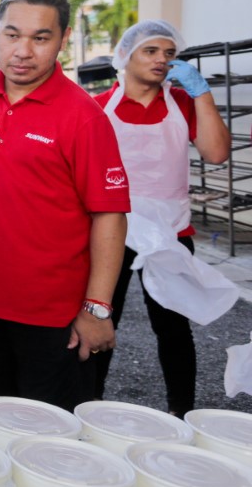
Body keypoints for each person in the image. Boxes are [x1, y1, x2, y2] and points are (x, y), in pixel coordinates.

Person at [0, 0, 131, 411]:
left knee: (52, 438)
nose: (23, 51)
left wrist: (97, 308)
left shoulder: (84, 117)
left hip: (55, 320)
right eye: (12, 35)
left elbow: (110, 215)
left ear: (63, 39)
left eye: (40, 37)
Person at [93, 20, 230, 414]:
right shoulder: (100, 106)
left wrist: (201, 94)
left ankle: (181, 413)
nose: (162, 60)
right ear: (126, 56)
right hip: (112, 228)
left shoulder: (183, 105)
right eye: (151, 51)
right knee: (101, 319)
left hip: (171, 230)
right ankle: (88, 404)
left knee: (173, 328)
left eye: (170, 53)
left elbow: (217, 153)